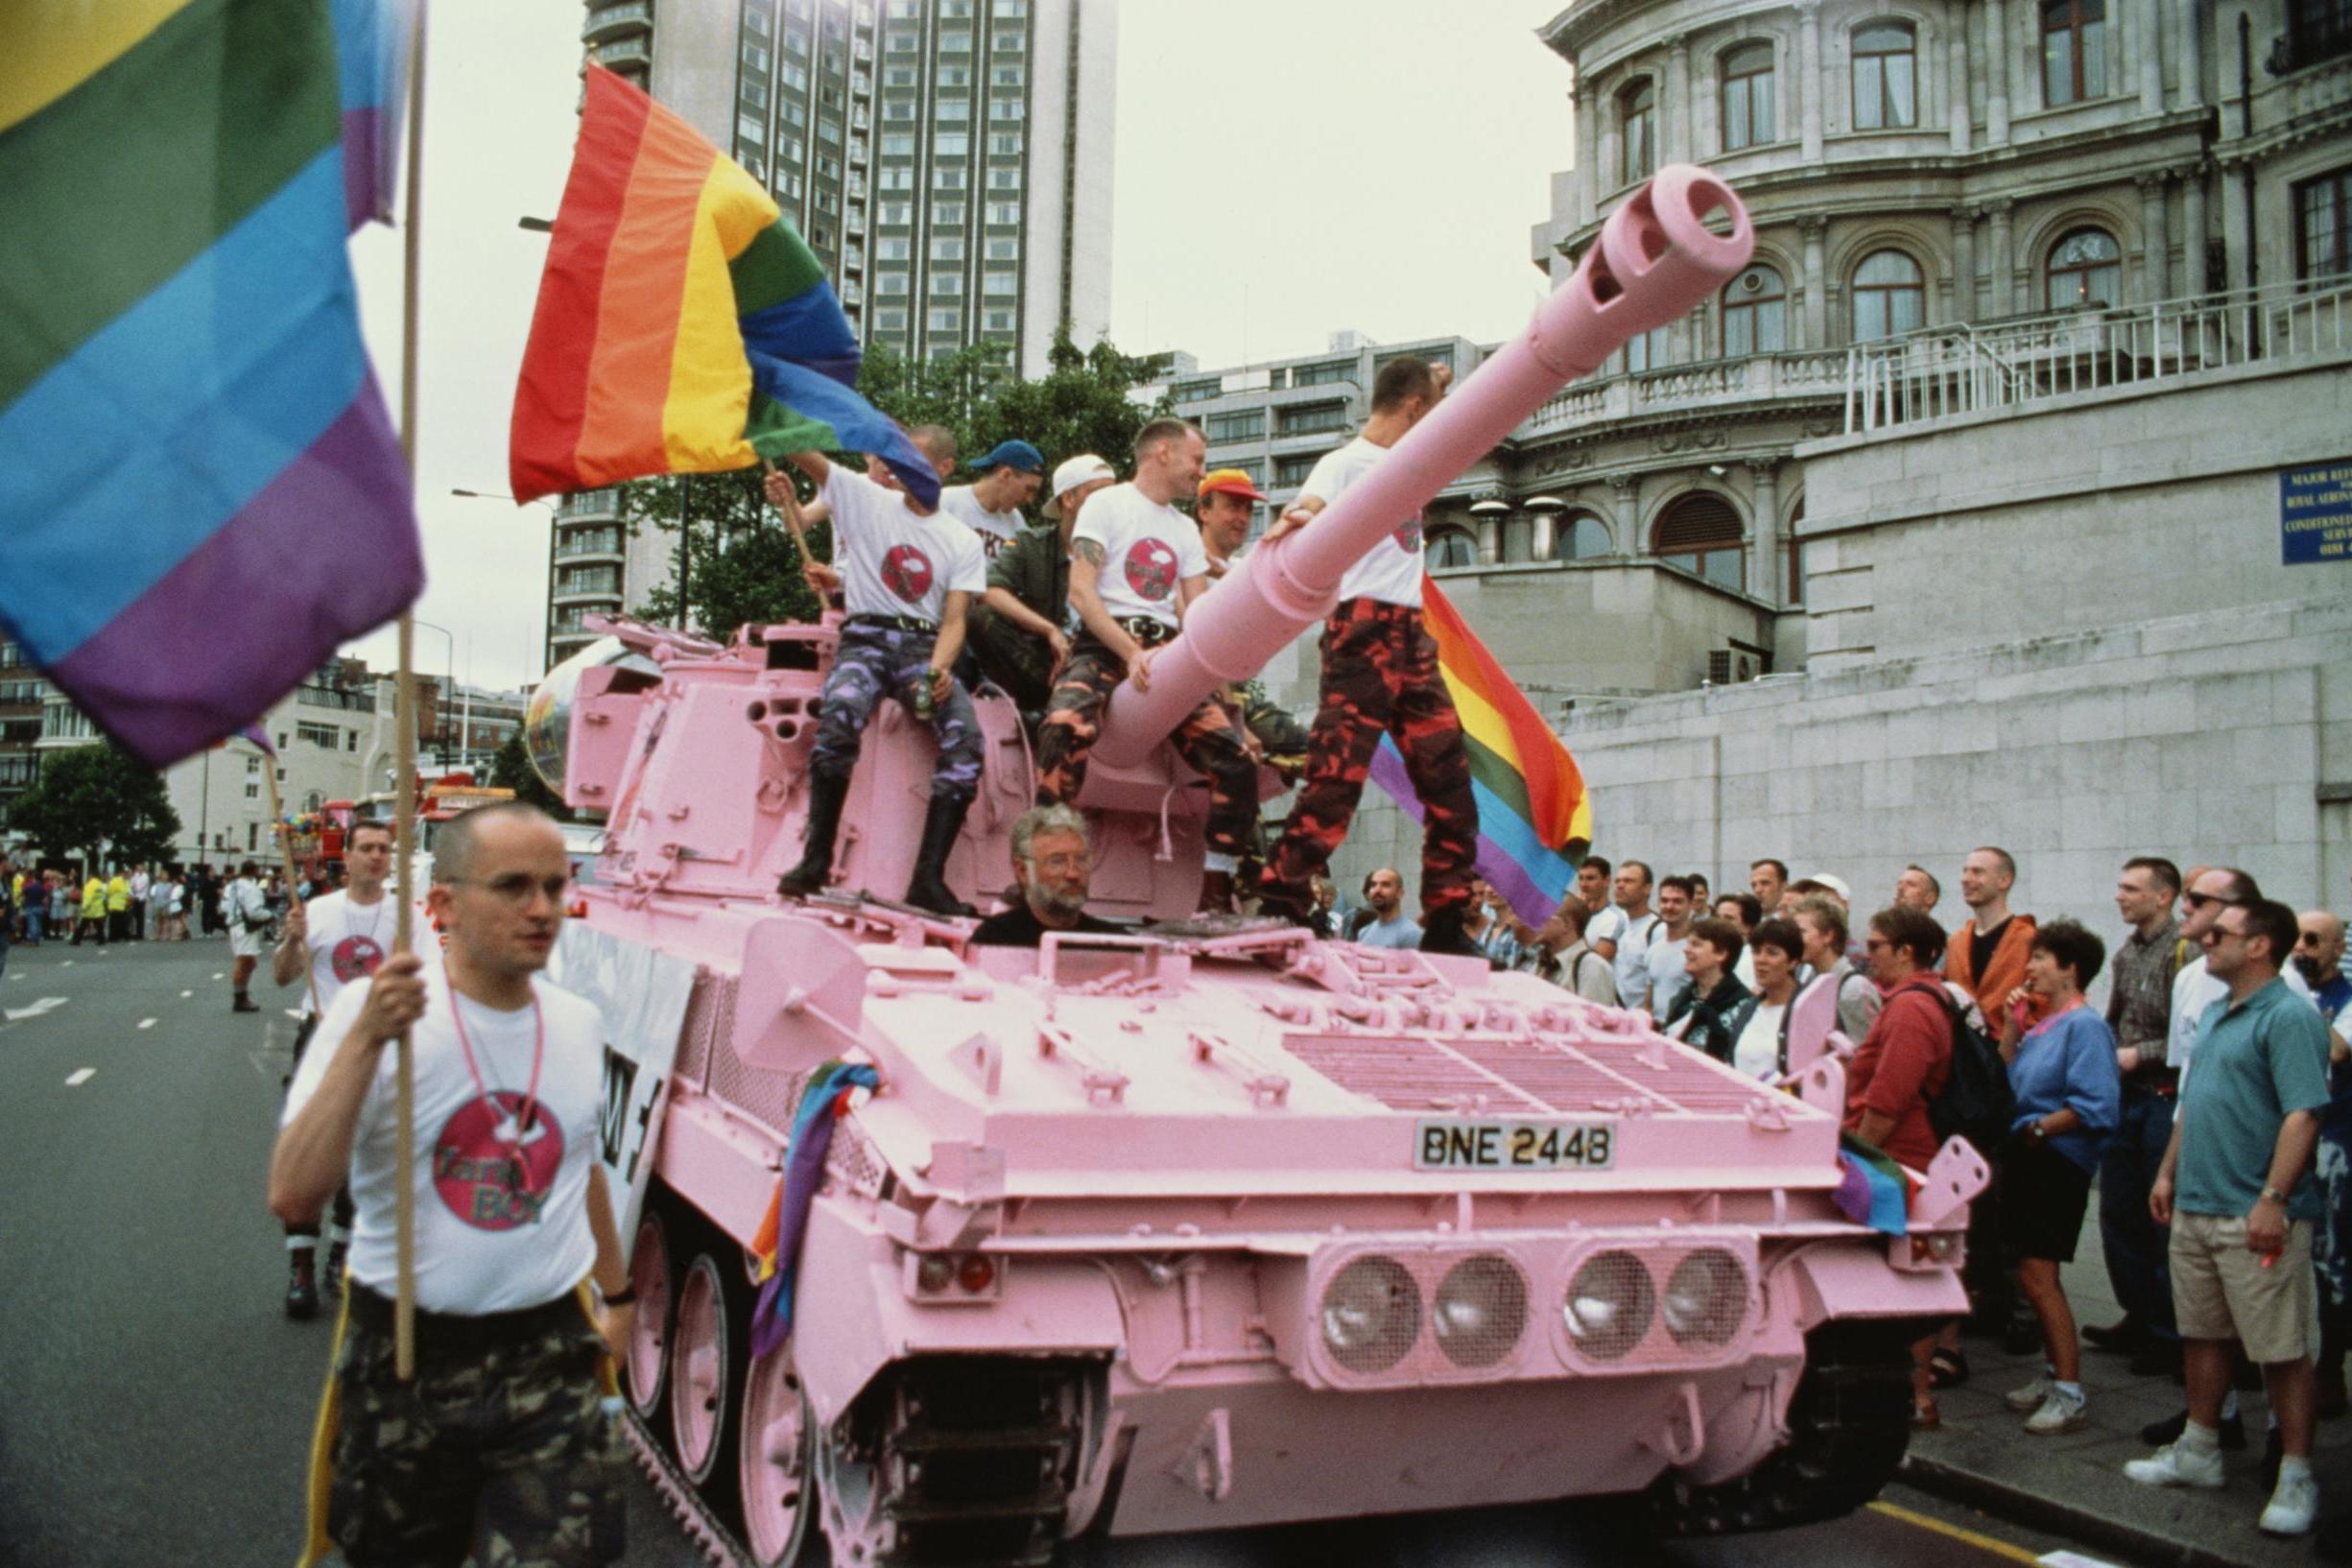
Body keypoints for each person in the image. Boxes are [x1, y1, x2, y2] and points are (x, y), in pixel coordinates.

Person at [270, 803, 630, 1567]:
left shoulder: (578, 1023)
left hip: (548, 1354)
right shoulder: (377, 1021)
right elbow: (295, 1196)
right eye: (512, 887)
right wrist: (366, 1038)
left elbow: (578, 1162)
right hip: (407, 1355)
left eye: (554, 887)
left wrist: (620, 1298)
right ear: (444, 903)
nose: (541, 910)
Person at [1255, 357, 1482, 956]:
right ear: (1413, 409)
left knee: (1451, 785)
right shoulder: (1345, 462)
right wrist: (1298, 518)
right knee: (1336, 779)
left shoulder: (1413, 460)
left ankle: (1448, 923)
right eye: (1428, 407)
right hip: (1362, 628)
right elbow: (1311, 508)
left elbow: (1459, 415)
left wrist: (1442, 383)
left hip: (1412, 634)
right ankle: (1280, 898)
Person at [2126, 899, 2331, 1538]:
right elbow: (2193, 1103)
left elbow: (2303, 1113)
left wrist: (2272, 1198)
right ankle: (2199, 1449)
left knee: (2282, 1348)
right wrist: (2166, 1173)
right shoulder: (2216, 1011)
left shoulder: (2289, 1016)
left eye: (2219, 933)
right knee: (2202, 1334)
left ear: (2259, 946)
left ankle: (2295, 1472)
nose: (2203, 940)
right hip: (2196, 1204)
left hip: (2253, 1214)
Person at [1033, 419, 1259, 915]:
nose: (1200, 473)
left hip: (1168, 654)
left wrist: (1211, 677)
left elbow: (1199, 614)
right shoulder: (1106, 505)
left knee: (1237, 764)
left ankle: (1216, 891)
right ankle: (1044, 863)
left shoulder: (1182, 529)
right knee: (1062, 728)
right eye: (1196, 461)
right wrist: (1129, 652)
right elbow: (1082, 592)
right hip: (1105, 646)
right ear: (1162, 452)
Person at [770, 428, 988, 917]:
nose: (903, 471)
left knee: (966, 740)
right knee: (840, 712)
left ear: (945, 469)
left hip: (922, 648)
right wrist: (770, 411)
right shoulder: (868, 499)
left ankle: (928, 878)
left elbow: (955, 620)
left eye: (919, 463)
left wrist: (939, 670)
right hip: (865, 638)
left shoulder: (962, 539)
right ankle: (816, 859)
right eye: (899, 461)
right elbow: (810, 459)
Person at [1996, 920, 2123, 1436]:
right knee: (2031, 1274)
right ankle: (2052, 1376)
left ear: (2071, 969)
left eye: (2042, 958)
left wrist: (2039, 1131)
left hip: (2056, 1163)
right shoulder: (2045, 1024)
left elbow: (2096, 1105)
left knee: (2040, 1277)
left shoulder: (2085, 1026)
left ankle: (2069, 1391)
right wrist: (2011, 1026)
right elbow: (2008, 1079)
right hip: (2031, 1158)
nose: (2030, 968)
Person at [271, 820, 398, 1318]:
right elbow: (282, 978)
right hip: (320, 1036)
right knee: (309, 1144)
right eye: (365, 848)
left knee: (362, 1150)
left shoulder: (406, 917)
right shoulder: (316, 913)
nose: (375, 857)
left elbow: (430, 980)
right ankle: (300, 1266)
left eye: (383, 849)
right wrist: (289, 942)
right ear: (345, 857)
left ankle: (340, 1257)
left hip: (378, 1042)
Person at [1843, 906, 1958, 1428]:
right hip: (1905, 1156)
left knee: (1906, 1277)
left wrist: (1858, 1161)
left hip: (1900, 1161)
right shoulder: (1919, 1000)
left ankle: (1914, 1397)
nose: (1869, 955)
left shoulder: (1912, 1009)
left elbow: (1888, 1099)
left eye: (1878, 945)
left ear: (1906, 951)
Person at [2088, 856, 2191, 1373]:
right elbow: (2115, 1017)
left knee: (2158, 1218)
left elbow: (2187, 1035)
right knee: (2118, 1212)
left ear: (2163, 896)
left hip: (2163, 1096)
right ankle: (2138, 1313)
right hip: (2125, 1097)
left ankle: (2169, 1331)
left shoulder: (2184, 950)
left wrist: (2138, 1053)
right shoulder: (2128, 952)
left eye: (2131, 888)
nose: (2120, 896)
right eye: (2120, 886)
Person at [968, 453, 1115, 717]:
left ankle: (1059, 702)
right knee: (979, 617)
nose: (1110, 504)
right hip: (1047, 662)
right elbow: (990, 591)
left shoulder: (1124, 549)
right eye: (1098, 494)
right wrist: (1049, 630)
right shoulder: (1032, 544)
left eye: (1113, 496)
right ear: (1068, 499)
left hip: (1105, 660)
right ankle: (1048, 701)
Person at [2295, 912, 2352, 1414]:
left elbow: (2336, 1051)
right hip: (2290, 1144)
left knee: (2331, 1258)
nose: (2301, 949)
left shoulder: (2345, 998)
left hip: (2335, 1144)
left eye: (2312, 941)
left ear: (2337, 947)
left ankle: (2330, 1365)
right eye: (2294, 938)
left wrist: (2297, 998)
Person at [971, 805, 1124, 948]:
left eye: (1081, 860)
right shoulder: (995, 940)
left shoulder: (1117, 943)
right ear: (1023, 871)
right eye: (1057, 861)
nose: (1073, 874)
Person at [1661, 917, 1756, 1063]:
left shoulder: (1743, 1006)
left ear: (1721, 954)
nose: (1686, 950)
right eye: (1688, 943)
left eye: (1696, 944)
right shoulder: (1683, 998)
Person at [1792, 893, 1880, 1046]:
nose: (1793, 939)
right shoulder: (1806, 980)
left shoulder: (1854, 989)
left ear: (1827, 936)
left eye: (1801, 932)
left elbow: (1865, 1053)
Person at [938, 438, 1044, 558]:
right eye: (1028, 489)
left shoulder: (1016, 522)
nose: (1029, 499)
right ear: (1006, 475)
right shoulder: (946, 502)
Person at [1729, 917, 1804, 1081]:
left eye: (1772, 953)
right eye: (1756, 951)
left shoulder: (1809, 1010)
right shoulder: (1747, 1009)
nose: (1760, 960)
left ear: (1793, 962)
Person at [1594, 860, 1663, 1011]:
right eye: (1617, 881)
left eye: (1629, 881)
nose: (1620, 886)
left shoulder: (1658, 930)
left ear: (1647, 888)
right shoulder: (1618, 924)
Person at [1522, 901, 1617, 1003]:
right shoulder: (1541, 963)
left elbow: (1593, 1016)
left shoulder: (1593, 966)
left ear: (1566, 924)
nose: (1534, 923)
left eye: (1543, 917)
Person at [1633, 874, 1699, 1022]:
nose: (1669, 907)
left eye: (1677, 901)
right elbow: (1649, 1003)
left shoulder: (1699, 950)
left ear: (1691, 904)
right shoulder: (1653, 950)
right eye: (1664, 901)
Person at [225, 860, 271, 1011]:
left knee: (250, 962)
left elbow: (224, 906)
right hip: (245, 926)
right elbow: (254, 912)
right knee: (244, 961)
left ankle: (242, 994)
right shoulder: (252, 889)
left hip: (234, 925)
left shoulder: (232, 885)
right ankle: (240, 999)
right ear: (254, 872)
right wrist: (270, 915)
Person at [1352, 867, 1423, 951]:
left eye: (1385, 885)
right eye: (1373, 885)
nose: (1377, 890)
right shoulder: (1364, 932)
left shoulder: (1411, 934)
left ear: (1400, 893)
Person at [1713, 891, 1762, 988]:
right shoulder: (1710, 954)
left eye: (1729, 918)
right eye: (1717, 917)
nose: (1719, 923)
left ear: (1748, 926)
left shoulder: (1754, 958)